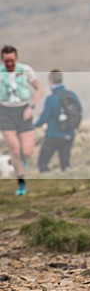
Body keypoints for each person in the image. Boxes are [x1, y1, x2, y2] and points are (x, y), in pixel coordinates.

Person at [0, 45, 42, 196]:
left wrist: (31, 106)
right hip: (5, 111)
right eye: (6, 61)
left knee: (27, 152)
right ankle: (21, 183)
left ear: (16, 59)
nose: (9, 64)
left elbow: (38, 88)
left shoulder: (26, 70)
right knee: (15, 150)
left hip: (24, 110)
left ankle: (20, 163)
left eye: (11, 60)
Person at [34, 69, 82, 173]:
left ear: (50, 81)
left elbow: (44, 117)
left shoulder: (51, 98)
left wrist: (33, 126)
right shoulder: (72, 95)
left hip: (53, 135)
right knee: (65, 164)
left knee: (43, 163)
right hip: (69, 134)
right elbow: (80, 109)